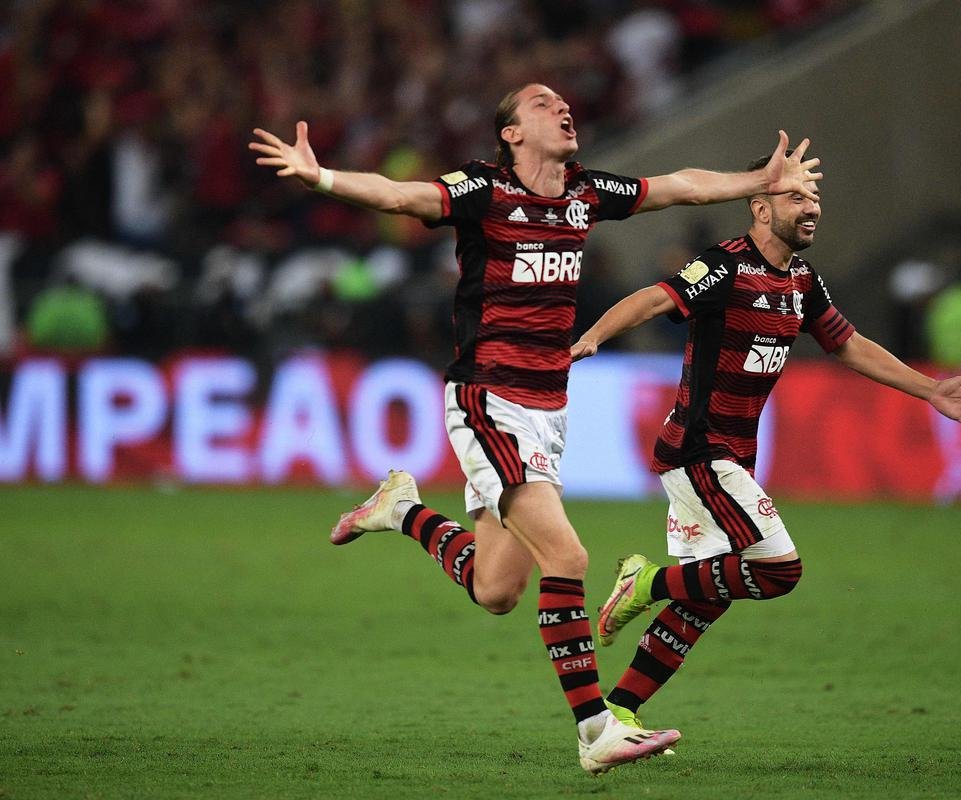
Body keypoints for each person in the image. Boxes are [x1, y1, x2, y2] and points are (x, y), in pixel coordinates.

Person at [248, 83, 822, 774]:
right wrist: (322, 177)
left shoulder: (585, 192)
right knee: (568, 558)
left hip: (549, 409)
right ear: (512, 133)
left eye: (562, 101)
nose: (562, 107)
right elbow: (401, 197)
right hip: (488, 398)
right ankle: (596, 732)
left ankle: (400, 509)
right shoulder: (484, 190)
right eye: (542, 103)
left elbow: (680, 187)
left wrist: (757, 180)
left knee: (497, 589)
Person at [569, 152, 961, 729]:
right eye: (796, 197)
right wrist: (594, 336)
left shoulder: (802, 280)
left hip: (730, 457)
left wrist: (929, 390)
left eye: (814, 199)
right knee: (778, 569)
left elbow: (849, 344)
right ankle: (644, 582)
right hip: (700, 452)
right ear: (760, 207)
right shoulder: (725, 266)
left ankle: (619, 713)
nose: (811, 208)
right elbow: (654, 298)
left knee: (706, 598)